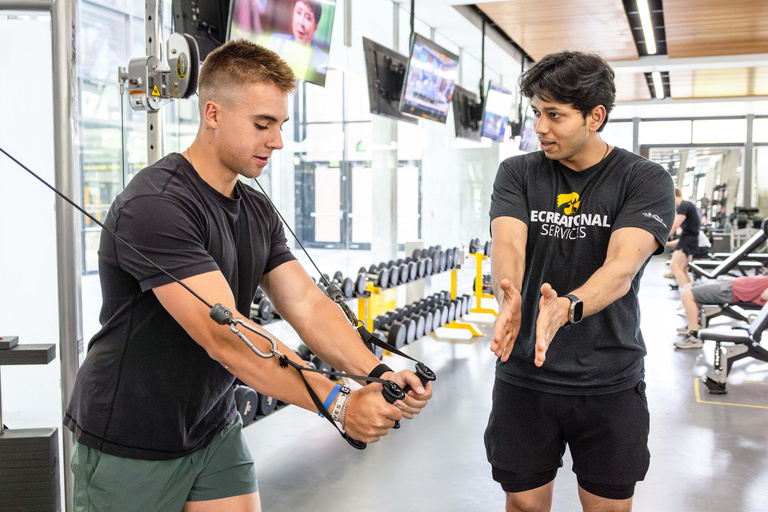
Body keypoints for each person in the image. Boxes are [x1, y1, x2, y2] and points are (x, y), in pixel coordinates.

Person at [64, 39, 432, 512]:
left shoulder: (255, 207)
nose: (277, 140)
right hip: (132, 433)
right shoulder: (156, 205)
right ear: (213, 114)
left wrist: (377, 373)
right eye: (262, 125)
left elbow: (306, 303)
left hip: (212, 423)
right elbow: (226, 338)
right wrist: (339, 403)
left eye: (279, 124)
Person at [486, 50, 675, 512]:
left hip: (609, 379)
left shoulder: (643, 179)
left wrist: (567, 305)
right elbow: (508, 245)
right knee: (525, 505)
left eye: (555, 115)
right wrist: (508, 293)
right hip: (524, 375)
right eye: (536, 113)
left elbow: (621, 267)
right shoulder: (519, 172)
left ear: (596, 116)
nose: (541, 128)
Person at [675, 275, 768, 349]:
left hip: (731, 291)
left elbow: (764, 296)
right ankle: (694, 323)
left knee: (687, 295)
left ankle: (693, 336)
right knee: (689, 286)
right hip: (732, 283)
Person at [268, 0, 328, 77]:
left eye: (308, 17)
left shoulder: (323, 62)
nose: (301, 22)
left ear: (315, 27)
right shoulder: (276, 43)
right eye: (299, 12)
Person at [666, 188, 700, 290]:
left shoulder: (683, 206)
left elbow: (675, 225)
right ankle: (693, 295)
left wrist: (662, 237)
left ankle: (687, 295)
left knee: (674, 266)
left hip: (688, 240)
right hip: (691, 239)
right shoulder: (688, 205)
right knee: (683, 269)